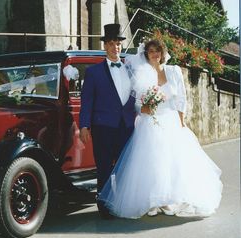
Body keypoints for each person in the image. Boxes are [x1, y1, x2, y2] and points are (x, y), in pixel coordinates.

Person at [97, 39, 223, 218]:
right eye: (151, 52)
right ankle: (152, 202)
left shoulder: (173, 71)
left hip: (171, 121)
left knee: (172, 163)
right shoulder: (142, 74)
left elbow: (181, 98)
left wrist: (181, 121)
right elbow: (137, 103)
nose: (154, 54)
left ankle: (167, 201)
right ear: (146, 55)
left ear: (162, 53)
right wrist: (144, 109)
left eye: (157, 51)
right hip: (150, 123)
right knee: (151, 163)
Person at [79, 24, 136, 217]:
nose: (115, 47)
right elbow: (87, 101)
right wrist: (84, 125)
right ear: (105, 46)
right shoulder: (93, 72)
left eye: (118, 44)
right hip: (103, 126)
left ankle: (121, 202)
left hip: (127, 126)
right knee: (104, 167)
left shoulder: (130, 69)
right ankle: (104, 204)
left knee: (125, 166)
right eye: (111, 43)